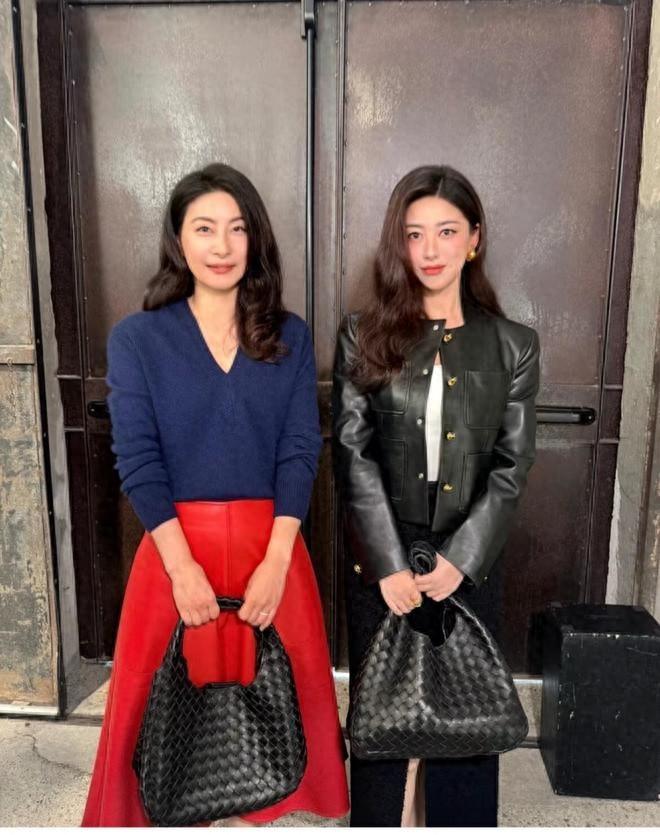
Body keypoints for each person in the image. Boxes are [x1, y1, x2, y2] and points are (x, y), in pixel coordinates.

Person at [82, 163, 349, 826]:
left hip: (271, 549)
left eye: (237, 229)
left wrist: (278, 562)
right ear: (178, 239)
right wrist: (181, 570)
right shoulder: (139, 339)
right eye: (204, 228)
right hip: (177, 552)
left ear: (255, 239)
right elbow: (138, 459)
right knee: (169, 716)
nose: (222, 246)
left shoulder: (288, 335)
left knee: (271, 713)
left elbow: (300, 450)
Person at [332, 164, 540, 827]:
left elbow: (511, 464)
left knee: (463, 723)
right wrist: (388, 563)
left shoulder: (512, 345)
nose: (430, 249)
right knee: (385, 722)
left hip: (468, 562)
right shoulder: (362, 334)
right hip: (383, 561)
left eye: (447, 231)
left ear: (473, 239)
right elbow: (353, 453)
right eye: (414, 233)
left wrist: (462, 560)